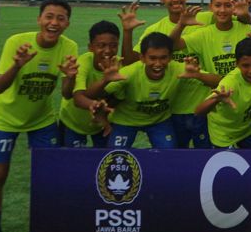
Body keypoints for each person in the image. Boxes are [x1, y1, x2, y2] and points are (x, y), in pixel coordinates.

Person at [0, 0, 78, 232]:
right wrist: (17, 65)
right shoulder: (17, 42)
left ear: (67, 23)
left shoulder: (68, 46)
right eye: (49, 16)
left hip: (42, 120)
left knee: (50, 175)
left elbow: (67, 94)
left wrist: (70, 76)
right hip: (6, 119)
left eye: (60, 18)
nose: (54, 23)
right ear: (39, 19)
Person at [120, 0, 216, 150]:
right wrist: (127, 33)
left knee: (206, 158)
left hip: (204, 107)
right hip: (172, 111)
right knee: (175, 161)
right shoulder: (155, 30)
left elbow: (232, 20)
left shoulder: (206, 18)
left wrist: (247, 17)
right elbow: (130, 62)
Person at [87, 32, 217, 149]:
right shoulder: (128, 73)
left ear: (170, 57)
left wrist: (198, 75)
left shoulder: (179, 69)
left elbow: (219, 82)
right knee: (115, 155)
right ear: (142, 58)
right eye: (153, 58)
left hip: (159, 121)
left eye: (163, 58)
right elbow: (91, 95)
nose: (158, 64)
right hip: (125, 121)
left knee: (168, 154)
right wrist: (105, 81)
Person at [168, 0, 251, 147]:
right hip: (218, 105)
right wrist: (181, 25)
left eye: (228, 5)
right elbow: (171, 45)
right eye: (218, 5)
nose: (222, 10)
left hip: (246, 103)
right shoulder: (204, 34)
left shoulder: (245, 29)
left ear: (234, 6)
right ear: (211, 7)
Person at [61, 20, 120, 148]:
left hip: (101, 125)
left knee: (104, 163)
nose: (107, 50)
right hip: (72, 121)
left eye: (113, 45)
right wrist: (95, 105)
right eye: (101, 45)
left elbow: (117, 98)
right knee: (73, 163)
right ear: (90, 47)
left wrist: (105, 114)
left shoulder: (119, 66)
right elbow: (77, 98)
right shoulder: (83, 62)